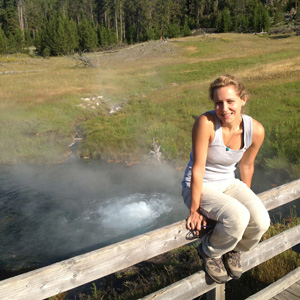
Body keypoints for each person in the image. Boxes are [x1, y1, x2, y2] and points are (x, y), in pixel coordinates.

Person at [181, 74, 270, 284]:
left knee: (260, 220)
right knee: (237, 217)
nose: (224, 108)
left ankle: (233, 248)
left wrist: (245, 197)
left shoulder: (255, 130)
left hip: (229, 182)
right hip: (200, 185)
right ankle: (209, 251)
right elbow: (198, 168)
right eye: (218, 103)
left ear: (243, 100)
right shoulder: (206, 123)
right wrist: (194, 209)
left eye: (230, 101)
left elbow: (247, 165)